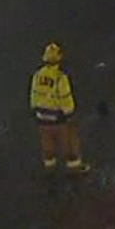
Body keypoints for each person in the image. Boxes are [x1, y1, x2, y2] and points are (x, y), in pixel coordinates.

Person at [30, 42, 89, 172]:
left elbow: (34, 94)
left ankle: (49, 165)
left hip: (42, 115)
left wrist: (34, 110)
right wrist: (70, 114)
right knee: (69, 139)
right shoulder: (60, 78)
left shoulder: (38, 75)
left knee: (47, 140)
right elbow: (65, 97)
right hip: (58, 116)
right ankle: (74, 166)